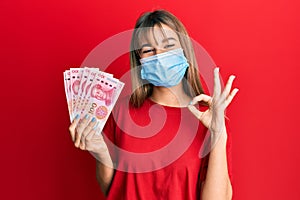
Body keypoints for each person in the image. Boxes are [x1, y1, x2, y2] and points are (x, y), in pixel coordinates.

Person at [69, 9, 238, 200]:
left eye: (169, 45)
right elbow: (113, 190)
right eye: (149, 50)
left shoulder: (209, 120)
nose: (160, 56)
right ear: (139, 60)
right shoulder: (120, 112)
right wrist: (100, 151)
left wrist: (218, 133)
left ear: (185, 50)